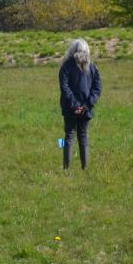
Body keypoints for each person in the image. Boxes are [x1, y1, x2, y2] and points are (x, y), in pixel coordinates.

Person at [59, 38, 102, 170]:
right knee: (83, 138)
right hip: (85, 110)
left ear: (72, 50)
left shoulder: (65, 66)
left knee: (69, 137)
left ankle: (66, 169)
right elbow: (97, 89)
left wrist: (75, 105)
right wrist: (86, 106)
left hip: (69, 109)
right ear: (87, 50)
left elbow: (65, 88)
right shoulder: (93, 67)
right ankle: (85, 168)